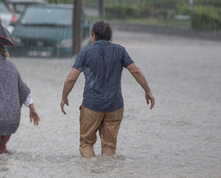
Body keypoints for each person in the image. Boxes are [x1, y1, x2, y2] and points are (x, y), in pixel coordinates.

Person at [60, 21, 155, 159]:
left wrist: (64, 97)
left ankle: (90, 174)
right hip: (115, 106)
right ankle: (108, 177)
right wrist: (148, 91)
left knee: (86, 144)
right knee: (109, 147)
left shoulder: (86, 52)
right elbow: (135, 71)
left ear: (93, 36)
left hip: (92, 105)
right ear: (110, 36)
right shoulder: (120, 51)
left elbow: (71, 79)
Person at [0, 42, 40, 155]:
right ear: (4, 51)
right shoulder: (12, 67)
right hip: (10, 119)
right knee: (2, 151)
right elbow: (23, 91)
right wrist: (32, 109)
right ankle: (5, 172)